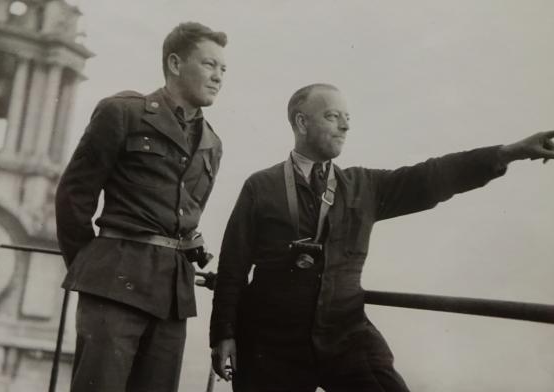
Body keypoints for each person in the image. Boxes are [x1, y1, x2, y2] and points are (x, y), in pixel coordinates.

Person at [209, 83, 554, 392]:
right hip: (271, 343)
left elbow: (430, 176)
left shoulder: (364, 186)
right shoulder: (261, 186)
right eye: (333, 116)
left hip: (344, 336)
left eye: (347, 117)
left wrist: (507, 153)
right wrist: (224, 333)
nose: (345, 125)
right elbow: (233, 266)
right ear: (301, 123)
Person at [55, 22, 227, 392]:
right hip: (114, 283)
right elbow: (74, 196)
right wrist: (93, 267)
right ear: (176, 63)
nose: (218, 77)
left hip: (171, 297)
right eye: (210, 64)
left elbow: (184, 214)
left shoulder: (212, 143)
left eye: (223, 70)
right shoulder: (123, 113)